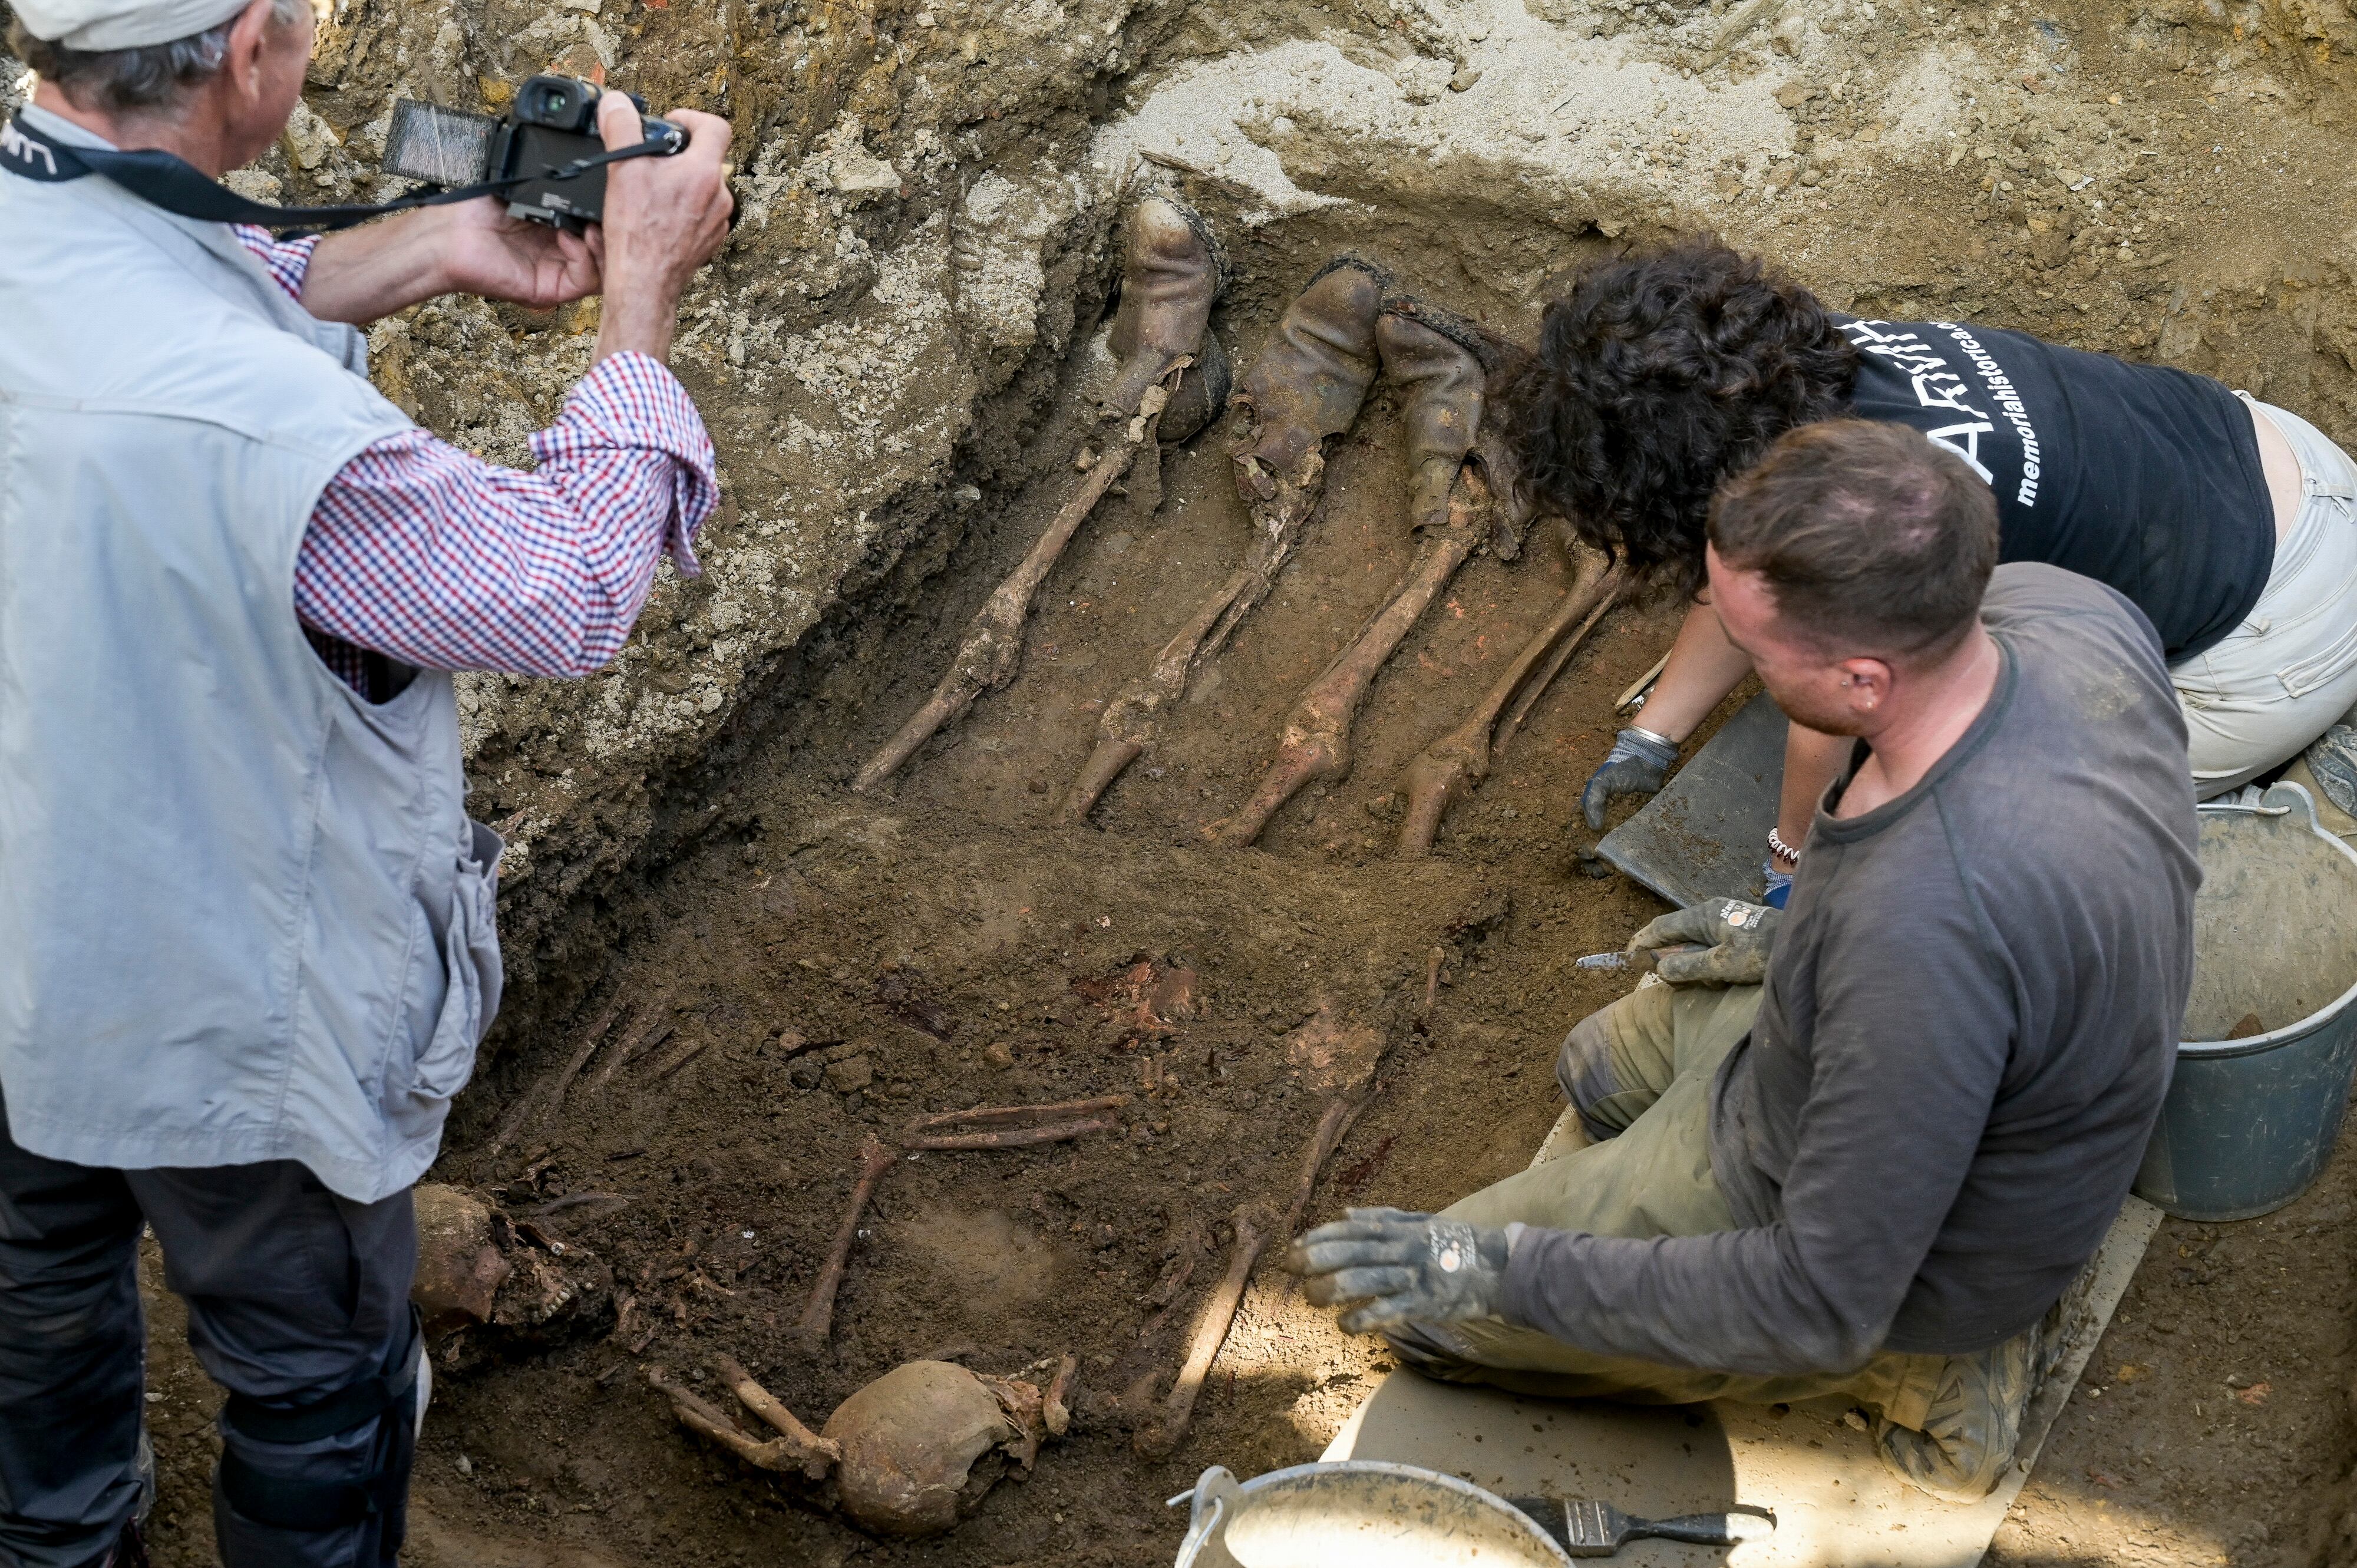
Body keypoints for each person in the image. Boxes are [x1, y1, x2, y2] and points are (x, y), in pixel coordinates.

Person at [0, 0, 733, 1560]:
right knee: (317, 1389)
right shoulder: (273, 432)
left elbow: (136, 300)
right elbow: (563, 589)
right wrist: (641, 304)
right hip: (231, 1018)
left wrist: (418, 246)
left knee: (31, 1320)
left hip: (23, 941)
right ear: (251, 46)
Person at [1289, 419, 2198, 1502]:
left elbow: (1816, 1294)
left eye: (1755, 651)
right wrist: (1783, 939)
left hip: (1903, 1250)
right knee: (1598, 1069)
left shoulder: (1923, 936)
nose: (1738, 663)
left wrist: (1500, 1269)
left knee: (1430, 1308)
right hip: (1852, 1047)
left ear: (1864, 681)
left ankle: (1930, 1372)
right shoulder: (2070, 613)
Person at [1503, 239, 2349, 903]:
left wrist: (1792, 870)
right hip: (2258, 451)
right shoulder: (1786, 368)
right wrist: (1651, 735)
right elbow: (1741, 562)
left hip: (2276, 632)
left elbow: (1831, 716)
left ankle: (2252, 816)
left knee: (1983, 828)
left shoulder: (1847, 521)